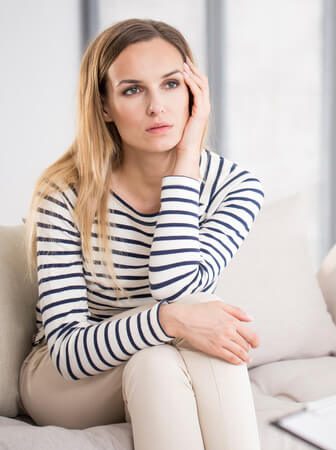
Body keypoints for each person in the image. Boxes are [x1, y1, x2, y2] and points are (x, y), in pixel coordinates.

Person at [20, 19, 264, 450]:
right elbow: (69, 353)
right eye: (133, 90)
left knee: (158, 361)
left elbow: (177, 287)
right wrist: (166, 319)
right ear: (105, 106)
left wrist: (186, 160)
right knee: (190, 320)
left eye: (171, 84)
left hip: (159, 365)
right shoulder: (63, 194)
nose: (158, 107)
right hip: (68, 381)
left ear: (194, 91)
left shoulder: (236, 187)